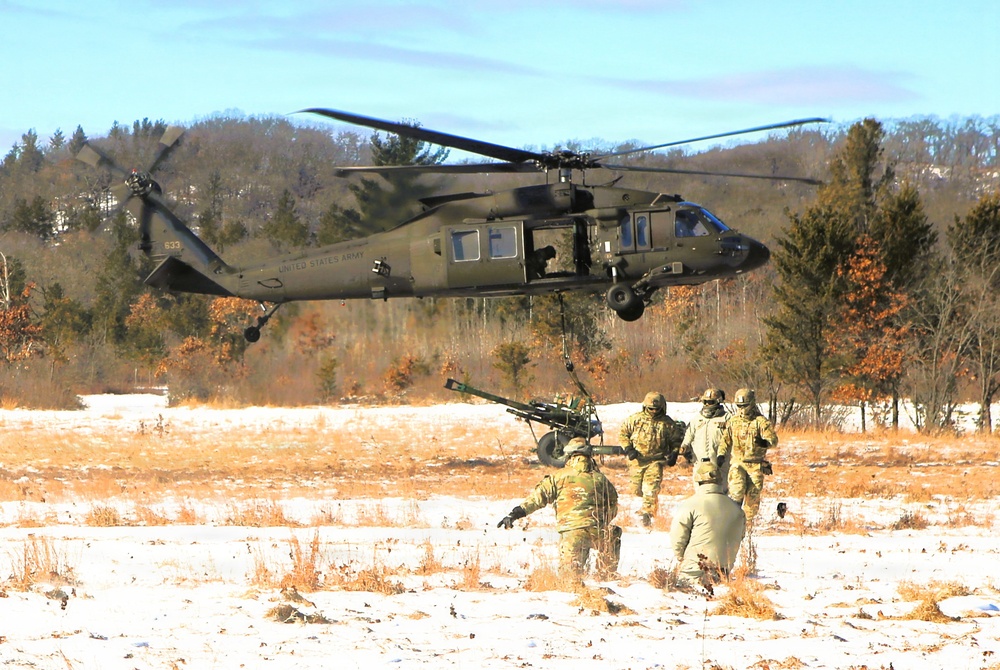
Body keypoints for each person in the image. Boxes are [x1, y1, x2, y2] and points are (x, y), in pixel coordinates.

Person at [497, 437, 620, 579]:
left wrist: (515, 514)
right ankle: (606, 576)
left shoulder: (558, 477)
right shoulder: (600, 479)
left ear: (568, 455)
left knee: (569, 580)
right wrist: (600, 522)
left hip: (572, 533)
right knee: (612, 540)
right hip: (598, 531)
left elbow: (537, 499)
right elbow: (613, 506)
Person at [669, 462, 746, 590]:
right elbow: (740, 536)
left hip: (694, 571)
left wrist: (682, 558)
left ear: (698, 480)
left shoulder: (690, 504)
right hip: (723, 572)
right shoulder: (737, 509)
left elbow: (677, 536)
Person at [619, 391, 684, 527]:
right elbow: (623, 433)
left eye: (656, 409)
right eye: (651, 409)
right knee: (636, 489)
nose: (654, 411)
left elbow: (676, 441)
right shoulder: (635, 420)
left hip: (656, 461)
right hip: (637, 460)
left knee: (651, 489)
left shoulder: (667, 423)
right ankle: (647, 503)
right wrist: (628, 448)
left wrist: (674, 454)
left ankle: (647, 514)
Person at [719, 388, 778, 525]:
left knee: (753, 499)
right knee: (736, 492)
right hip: (738, 463)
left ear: (751, 404)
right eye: (739, 406)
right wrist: (721, 455)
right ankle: (731, 524)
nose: (742, 409)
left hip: (756, 465)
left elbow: (774, 441)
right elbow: (725, 441)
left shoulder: (761, 422)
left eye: (744, 405)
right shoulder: (733, 421)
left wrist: (764, 442)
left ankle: (747, 526)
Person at [680, 388, 731, 491]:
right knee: (700, 493)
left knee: (720, 493)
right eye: (705, 402)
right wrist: (684, 447)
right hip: (700, 463)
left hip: (719, 464)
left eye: (710, 402)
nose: (707, 405)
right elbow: (689, 435)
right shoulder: (697, 419)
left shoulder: (727, 418)